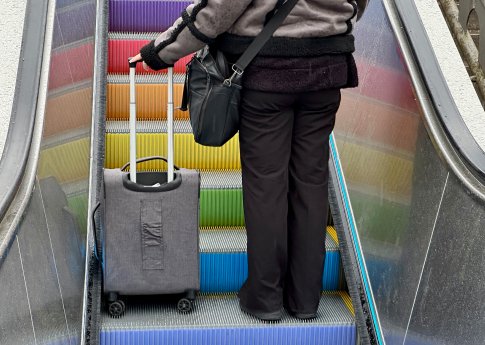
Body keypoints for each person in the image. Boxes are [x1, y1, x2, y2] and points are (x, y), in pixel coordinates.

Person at [130, 0, 368, 322]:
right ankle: (304, 299)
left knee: (267, 188)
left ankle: (266, 298)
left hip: (269, 73)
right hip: (327, 68)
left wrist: (159, 53)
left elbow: (217, 10)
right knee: (311, 185)